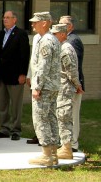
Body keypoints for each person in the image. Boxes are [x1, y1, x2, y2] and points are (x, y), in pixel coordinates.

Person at [27, 12, 61, 166]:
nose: (33, 24)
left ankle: (47, 155)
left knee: (41, 119)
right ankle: (53, 154)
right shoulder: (50, 39)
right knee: (51, 118)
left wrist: (37, 86)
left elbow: (43, 66)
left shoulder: (46, 40)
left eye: (36, 22)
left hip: (45, 86)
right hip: (52, 85)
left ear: (45, 23)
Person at [0, 11, 30, 141]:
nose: (5, 20)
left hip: (15, 76)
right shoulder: (1, 34)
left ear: (15, 19)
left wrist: (23, 74)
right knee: (2, 104)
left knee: (15, 105)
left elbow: (25, 55)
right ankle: (4, 129)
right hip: (1, 75)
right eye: (4, 18)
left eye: (8, 18)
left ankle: (16, 130)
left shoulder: (21, 34)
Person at [51, 23, 82, 160]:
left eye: (55, 34)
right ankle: (64, 146)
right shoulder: (61, 47)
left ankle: (66, 148)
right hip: (61, 87)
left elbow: (71, 71)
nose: (53, 36)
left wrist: (77, 84)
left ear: (63, 34)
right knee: (61, 116)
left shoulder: (65, 49)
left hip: (65, 88)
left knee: (64, 117)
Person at [58, 15, 84, 152]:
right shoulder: (65, 40)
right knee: (65, 115)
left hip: (73, 86)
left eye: (63, 24)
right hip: (67, 85)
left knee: (72, 115)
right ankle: (66, 143)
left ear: (70, 26)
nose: (59, 26)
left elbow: (74, 66)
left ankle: (73, 144)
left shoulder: (73, 41)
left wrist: (77, 84)